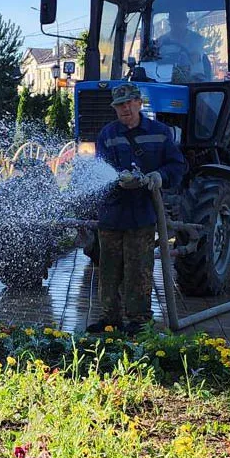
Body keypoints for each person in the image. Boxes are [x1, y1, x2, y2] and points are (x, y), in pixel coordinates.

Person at [86, 83, 187, 335]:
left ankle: (139, 320)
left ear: (139, 103)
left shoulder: (160, 133)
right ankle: (110, 318)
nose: (125, 108)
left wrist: (159, 177)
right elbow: (100, 170)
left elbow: (177, 165)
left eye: (129, 103)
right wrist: (118, 181)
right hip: (112, 213)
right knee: (108, 268)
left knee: (139, 269)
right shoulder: (107, 134)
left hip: (142, 213)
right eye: (120, 105)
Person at [154, 8, 210, 81]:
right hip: (168, 80)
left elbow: (194, 59)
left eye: (180, 21)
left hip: (195, 80)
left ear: (186, 21)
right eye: (174, 21)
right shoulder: (161, 41)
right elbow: (155, 61)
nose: (177, 24)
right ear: (170, 23)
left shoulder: (197, 39)